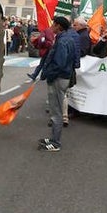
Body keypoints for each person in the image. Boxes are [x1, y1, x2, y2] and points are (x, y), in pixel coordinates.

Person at [36, 16, 79, 153]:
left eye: (53, 24)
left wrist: (48, 73)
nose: (51, 26)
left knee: (56, 111)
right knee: (56, 110)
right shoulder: (67, 39)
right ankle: (53, 138)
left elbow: (59, 63)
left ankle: (55, 142)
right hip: (63, 77)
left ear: (58, 26)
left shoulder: (62, 41)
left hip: (58, 78)